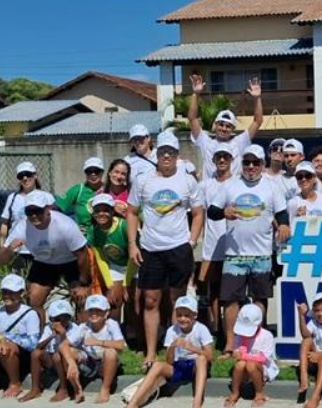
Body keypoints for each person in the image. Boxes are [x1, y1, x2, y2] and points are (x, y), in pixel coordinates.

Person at [127, 130, 204, 371]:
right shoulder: (143, 180)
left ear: (177, 154)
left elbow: (198, 212)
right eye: (163, 152)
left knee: (176, 300)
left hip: (179, 248)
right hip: (151, 249)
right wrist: (132, 243)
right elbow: (131, 211)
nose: (167, 156)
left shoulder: (187, 180)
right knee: (150, 300)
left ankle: (176, 348)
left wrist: (191, 242)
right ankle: (151, 352)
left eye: (171, 152)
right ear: (157, 153)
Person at [206, 144, 290, 353]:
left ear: (263, 164)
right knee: (230, 300)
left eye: (255, 162)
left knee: (260, 299)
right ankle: (230, 344)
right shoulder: (230, 185)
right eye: (247, 162)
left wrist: (284, 225)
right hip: (234, 255)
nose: (251, 166)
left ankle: (257, 343)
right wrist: (224, 212)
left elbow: (281, 213)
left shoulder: (272, 186)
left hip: (262, 253)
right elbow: (212, 211)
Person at [117, 295, 214, 408]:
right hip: (178, 365)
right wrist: (173, 347)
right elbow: (169, 361)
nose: (182, 319)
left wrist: (193, 348)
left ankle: (197, 403)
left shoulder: (201, 329)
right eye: (179, 315)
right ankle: (133, 403)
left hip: (196, 366)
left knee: (201, 359)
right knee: (157, 365)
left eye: (187, 315)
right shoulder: (172, 330)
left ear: (194, 315)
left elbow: (210, 356)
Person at [0, 190, 91, 314]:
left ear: (48, 209)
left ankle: (83, 325)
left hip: (70, 261)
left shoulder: (65, 225)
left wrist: (83, 283)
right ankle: (37, 326)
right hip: (44, 262)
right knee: (33, 300)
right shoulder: (22, 228)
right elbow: (0, 261)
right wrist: (10, 248)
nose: (34, 216)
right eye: (29, 212)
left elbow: (82, 253)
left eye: (38, 211)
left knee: (81, 298)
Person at [188, 72, 263, 179]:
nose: (224, 128)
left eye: (228, 126)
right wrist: (195, 94)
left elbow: (257, 121)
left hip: (233, 188)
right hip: (210, 188)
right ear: (215, 125)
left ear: (233, 129)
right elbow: (192, 118)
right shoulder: (206, 142)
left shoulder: (239, 143)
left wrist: (257, 98)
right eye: (221, 124)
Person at [198, 146, 235, 344]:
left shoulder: (238, 183)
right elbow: (199, 212)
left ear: (231, 160)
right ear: (213, 160)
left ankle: (231, 329)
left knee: (231, 291)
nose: (222, 160)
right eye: (218, 157)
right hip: (211, 245)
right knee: (213, 290)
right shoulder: (205, 185)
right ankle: (216, 329)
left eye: (225, 157)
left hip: (234, 244)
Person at [59, 294, 126, 404]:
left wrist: (98, 342)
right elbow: (63, 345)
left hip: (106, 362)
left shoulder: (111, 324)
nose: (94, 314)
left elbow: (120, 345)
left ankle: (105, 388)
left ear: (106, 312)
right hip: (89, 361)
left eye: (98, 311)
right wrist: (71, 362)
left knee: (110, 352)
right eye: (91, 311)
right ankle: (77, 389)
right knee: (69, 352)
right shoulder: (84, 327)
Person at [0, 274, 41, 398]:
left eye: (12, 292)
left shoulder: (30, 314)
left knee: (8, 347)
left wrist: (6, 337)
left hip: (23, 356)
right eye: (5, 292)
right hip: (2, 352)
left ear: (21, 293)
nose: (7, 296)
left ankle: (15, 383)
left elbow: (32, 344)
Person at [19, 299, 75, 403]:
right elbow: (38, 346)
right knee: (36, 353)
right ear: (51, 319)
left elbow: (70, 348)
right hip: (51, 362)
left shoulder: (74, 328)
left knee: (58, 355)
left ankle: (64, 389)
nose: (62, 322)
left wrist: (63, 335)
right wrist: (52, 336)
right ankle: (35, 389)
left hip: (66, 363)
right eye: (58, 319)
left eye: (66, 317)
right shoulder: (48, 328)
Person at [224, 303, 278, 408]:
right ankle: (235, 392)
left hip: (262, 368)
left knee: (251, 364)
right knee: (239, 365)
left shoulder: (267, 336)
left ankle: (259, 393)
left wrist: (244, 356)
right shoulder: (240, 336)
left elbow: (263, 358)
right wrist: (236, 353)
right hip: (245, 367)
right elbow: (239, 351)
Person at [87, 193, 129, 320]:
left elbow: (134, 257)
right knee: (114, 299)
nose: (101, 214)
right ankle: (115, 329)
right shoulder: (93, 231)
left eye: (106, 210)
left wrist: (126, 284)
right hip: (115, 266)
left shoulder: (124, 226)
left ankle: (132, 330)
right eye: (97, 211)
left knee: (133, 301)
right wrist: (110, 286)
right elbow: (101, 259)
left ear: (112, 211)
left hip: (134, 265)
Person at [0, 161, 42, 270]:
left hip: (39, 250)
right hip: (17, 250)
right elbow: (5, 224)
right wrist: (3, 246)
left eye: (28, 174)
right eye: (21, 176)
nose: (25, 178)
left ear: (35, 176)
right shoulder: (12, 198)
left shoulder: (44, 197)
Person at [57, 157, 105, 230]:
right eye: (89, 171)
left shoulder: (108, 189)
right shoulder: (78, 190)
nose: (93, 174)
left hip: (105, 234)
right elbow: (58, 209)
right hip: (83, 235)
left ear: (102, 172)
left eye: (96, 171)